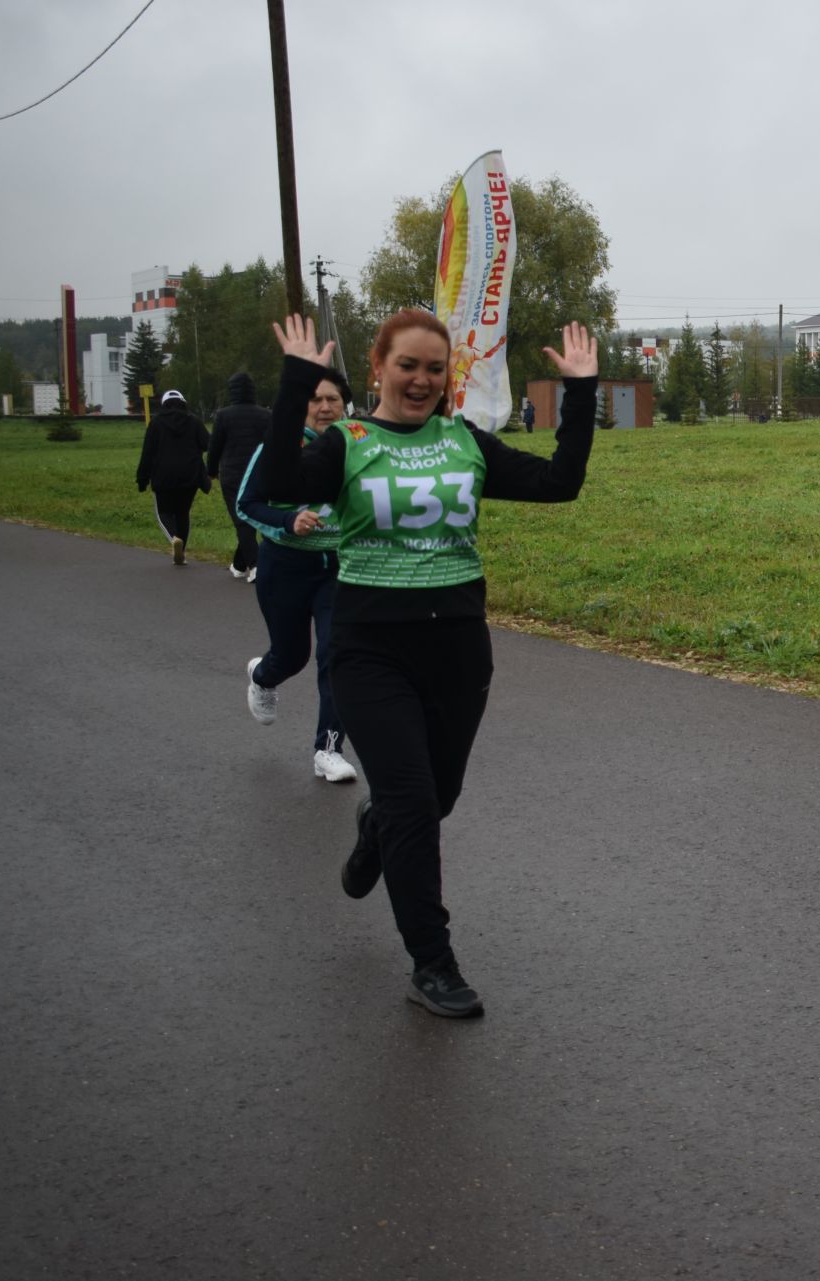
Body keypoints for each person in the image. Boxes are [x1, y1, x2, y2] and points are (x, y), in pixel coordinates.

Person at [261, 310, 596, 1018]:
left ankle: (375, 825)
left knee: (432, 799)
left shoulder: (463, 440)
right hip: (369, 649)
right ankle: (432, 962)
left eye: (435, 369)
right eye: (407, 365)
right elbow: (282, 484)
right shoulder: (346, 442)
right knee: (416, 803)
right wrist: (297, 383)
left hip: (457, 647)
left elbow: (560, 481)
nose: (421, 380)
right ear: (378, 365)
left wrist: (582, 390)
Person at [236, 365, 358, 783]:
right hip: (284, 567)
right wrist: (288, 521)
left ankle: (328, 749)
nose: (325, 408)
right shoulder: (278, 448)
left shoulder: (357, 447)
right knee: (292, 656)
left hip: (337, 570)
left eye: (333, 400)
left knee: (336, 655)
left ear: (345, 405)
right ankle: (262, 675)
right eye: (315, 399)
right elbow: (246, 504)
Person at [134, 389, 210, 565]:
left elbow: (148, 453)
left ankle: (174, 539)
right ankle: (181, 552)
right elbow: (209, 444)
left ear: (164, 404)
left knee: (164, 513)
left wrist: (142, 479)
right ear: (183, 403)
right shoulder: (194, 421)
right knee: (183, 513)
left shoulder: (156, 423)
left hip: (163, 476)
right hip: (190, 476)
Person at [207, 371, 270, 582]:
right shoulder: (265, 415)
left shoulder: (223, 415)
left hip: (232, 475)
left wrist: (211, 470)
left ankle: (255, 565)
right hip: (260, 473)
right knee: (251, 519)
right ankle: (240, 564)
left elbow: (214, 446)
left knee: (242, 520)